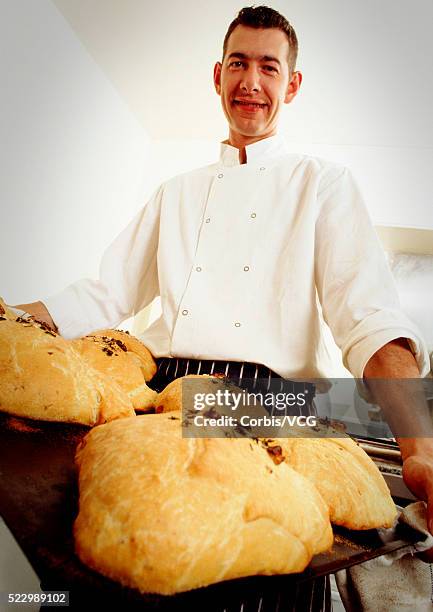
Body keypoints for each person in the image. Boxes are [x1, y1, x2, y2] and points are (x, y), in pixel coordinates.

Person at [13, 5, 433, 609]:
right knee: (117, 556)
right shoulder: (175, 192)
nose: (251, 82)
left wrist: (418, 448)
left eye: (269, 66)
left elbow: (370, 321)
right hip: (163, 388)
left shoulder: (323, 183)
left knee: (252, 576)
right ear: (218, 76)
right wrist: (9, 313)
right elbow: (103, 296)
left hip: (272, 400)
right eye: (238, 63)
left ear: (292, 85)